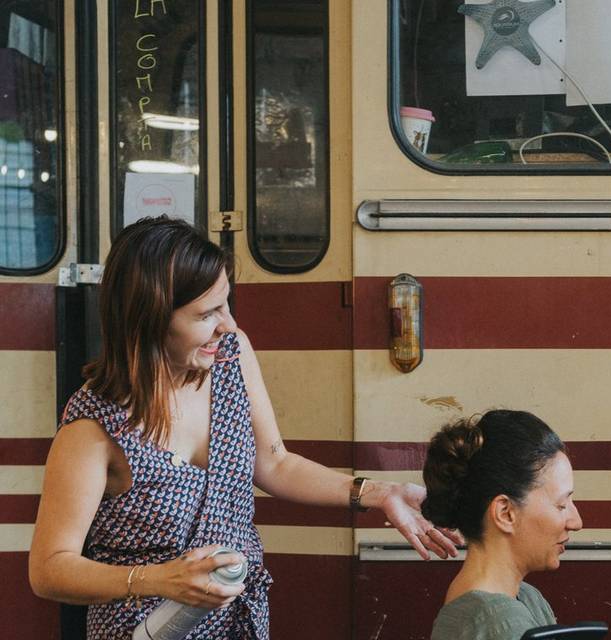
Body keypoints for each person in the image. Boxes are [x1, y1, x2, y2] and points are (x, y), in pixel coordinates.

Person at [29, 216, 460, 639]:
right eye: (207, 313)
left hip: (239, 623)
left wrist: (377, 494)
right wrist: (159, 580)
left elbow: (275, 463)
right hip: (141, 630)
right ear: (150, 318)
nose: (228, 325)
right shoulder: (92, 427)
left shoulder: (231, 356)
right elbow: (49, 569)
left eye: (226, 304)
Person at [422, 410, 583, 640]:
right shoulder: (497, 621)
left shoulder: (523, 598)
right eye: (561, 504)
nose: (577, 522)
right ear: (506, 513)